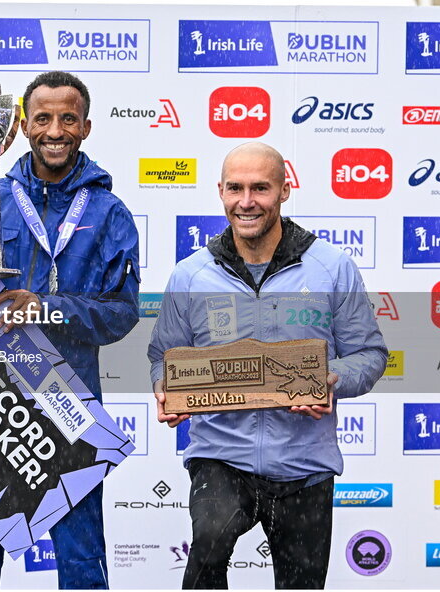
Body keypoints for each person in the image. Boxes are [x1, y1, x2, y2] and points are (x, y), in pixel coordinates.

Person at [147, 142, 387, 589]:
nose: (246, 201)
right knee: (208, 550)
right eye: (235, 188)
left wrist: (332, 382)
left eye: (261, 188)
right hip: (221, 457)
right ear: (220, 191)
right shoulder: (190, 274)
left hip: (305, 464)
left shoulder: (332, 268)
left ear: (284, 190)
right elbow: (164, 355)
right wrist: (166, 389)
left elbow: (370, 355)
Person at [0, 71, 140, 590]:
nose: (56, 130)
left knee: (80, 565)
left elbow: (121, 315)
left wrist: (47, 309)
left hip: (66, 401)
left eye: (68, 119)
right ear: (23, 125)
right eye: (44, 118)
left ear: (86, 127)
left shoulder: (108, 212)